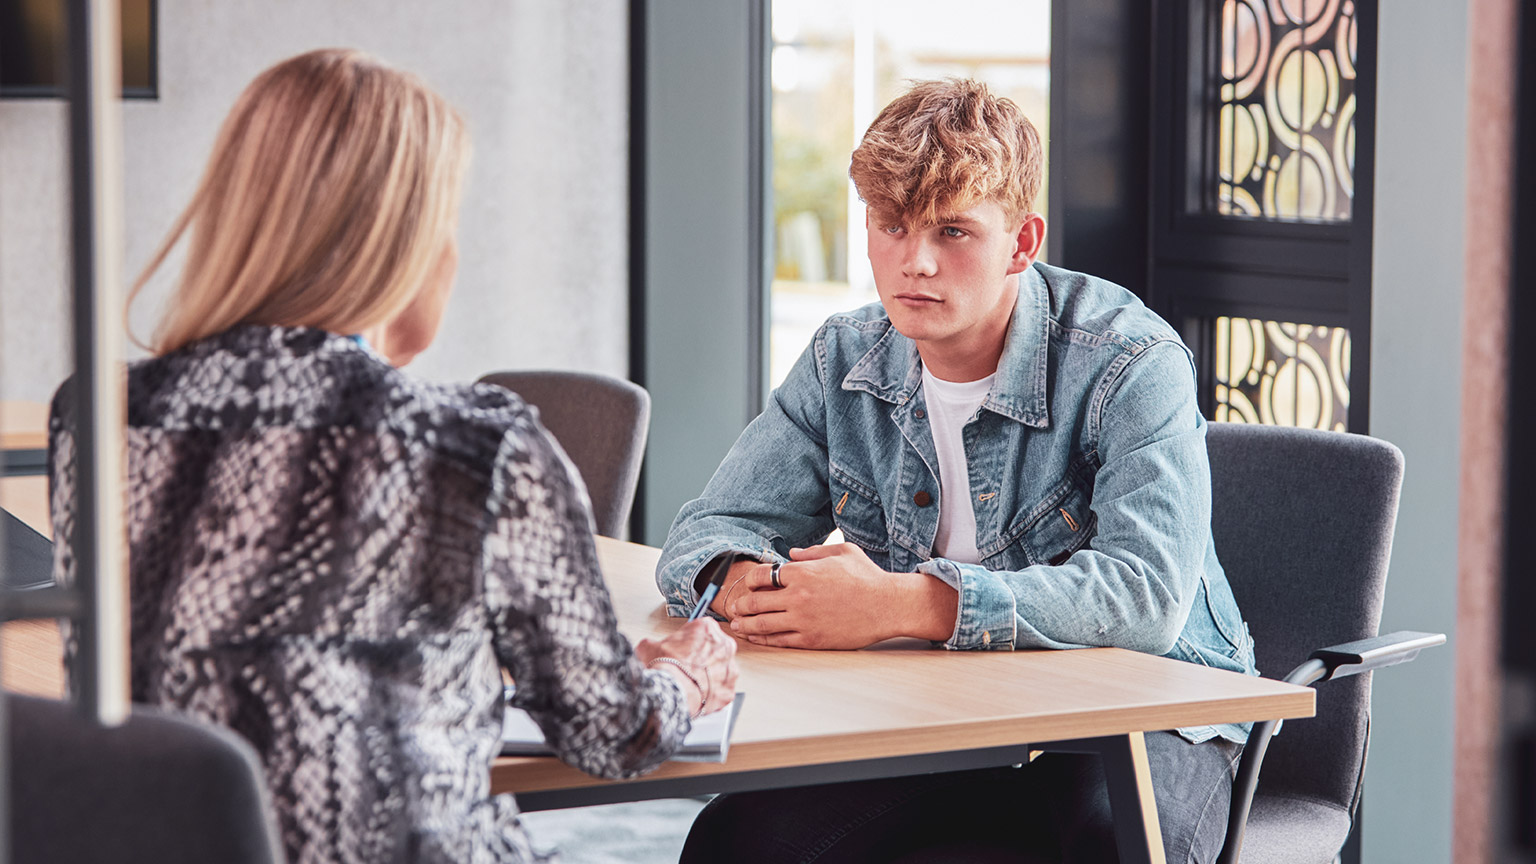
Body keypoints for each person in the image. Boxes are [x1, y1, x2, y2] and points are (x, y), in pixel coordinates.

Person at [46, 48, 738, 864]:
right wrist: (686, 673)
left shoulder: (97, 414)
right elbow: (616, 734)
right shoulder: (473, 445)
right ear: (405, 245)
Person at [656, 79, 1256, 863]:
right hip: (950, 711)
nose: (917, 263)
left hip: (1153, 708)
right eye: (892, 226)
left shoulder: (1131, 362)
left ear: (1022, 241)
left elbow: (1144, 598)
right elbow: (706, 533)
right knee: (739, 841)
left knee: (1110, 845)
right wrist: (752, 585)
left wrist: (901, 604)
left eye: (953, 231)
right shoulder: (845, 356)